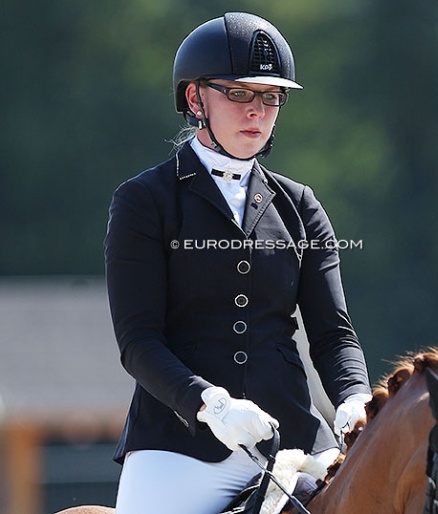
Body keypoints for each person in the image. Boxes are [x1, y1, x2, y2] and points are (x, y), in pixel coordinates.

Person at [103, 11, 372, 514]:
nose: (258, 111)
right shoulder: (145, 201)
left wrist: (356, 400)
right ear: (194, 98)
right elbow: (138, 341)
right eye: (240, 93)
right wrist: (211, 404)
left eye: (271, 97)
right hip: (180, 445)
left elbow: (333, 334)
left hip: (296, 444)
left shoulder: (300, 206)